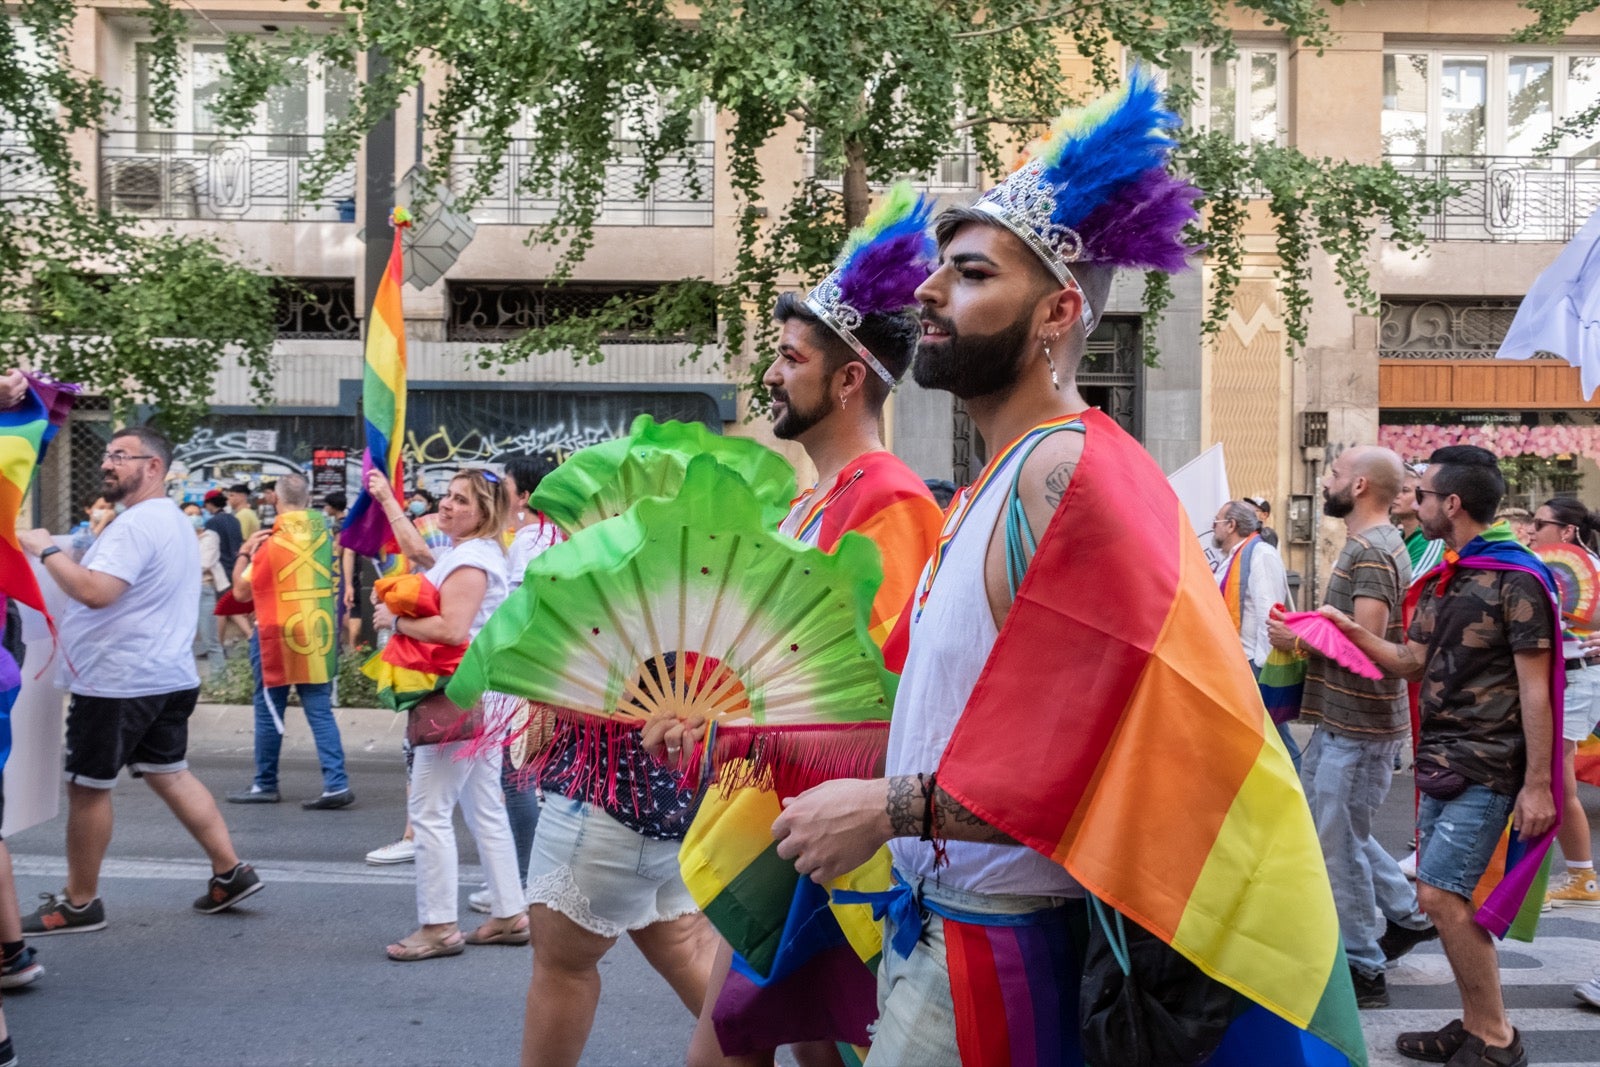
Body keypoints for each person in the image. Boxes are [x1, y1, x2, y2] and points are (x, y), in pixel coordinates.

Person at [769, 75, 1358, 1067]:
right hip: (938, 928)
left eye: (967, 274)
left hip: (1003, 951)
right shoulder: (988, 484)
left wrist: (884, 805)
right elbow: (930, 706)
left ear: (1055, 313)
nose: (925, 291)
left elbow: (1127, 741)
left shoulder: (1070, 469)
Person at [680, 211, 944, 1067]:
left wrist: (732, 721)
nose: (768, 372)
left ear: (847, 382)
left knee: (731, 1050)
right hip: (776, 819)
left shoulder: (892, 499)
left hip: (828, 838)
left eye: (791, 357)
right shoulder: (806, 500)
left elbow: (873, 689)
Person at [1325, 445, 1559, 1067]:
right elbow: (1410, 661)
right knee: (1443, 895)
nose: (1412, 499)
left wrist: (1538, 785)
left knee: (1440, 899)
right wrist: (1346, 631)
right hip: (1442, 764)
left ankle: (1496, 1039)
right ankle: (1479, 1021)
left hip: (1489, 765)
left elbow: (1538, 690)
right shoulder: (1448, 574)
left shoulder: (1519, 578)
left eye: (1422, 493)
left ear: (1451, 503)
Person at [18, 426, 262, 935]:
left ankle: (79, 903)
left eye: (120, 456)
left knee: (87, 787)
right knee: (168, 770)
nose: (107, 463)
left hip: (118, 680)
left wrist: (44, 550)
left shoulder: (134, 526)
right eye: (107, 454)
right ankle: (230, 872)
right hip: (165, 674)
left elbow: (98, 592)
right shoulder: (168, 519)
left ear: (153, 467)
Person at [1267, 445, 1433, 1010]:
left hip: (1358, 726)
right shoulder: (1374, 544)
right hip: (1346, 720)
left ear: (1360, 485)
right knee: (1342, 835)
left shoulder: (1369, 550)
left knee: (1336, 848)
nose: (1327, 483)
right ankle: (1409, 917)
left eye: (1336, 475)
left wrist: (1300, 637)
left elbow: (1370, 640)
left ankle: (1363, 965)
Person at [368, 467, 527, 959]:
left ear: (483, 514)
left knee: (429, 810)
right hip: (479, 693)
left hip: (457, 695)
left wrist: (394, 619)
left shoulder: (472, 560)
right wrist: (386, 499)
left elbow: (454, 629)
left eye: (461, 500)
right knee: (484, 807)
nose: (447, 504)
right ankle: (509, 914)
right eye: (447, 496)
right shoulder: (469, 553)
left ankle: (438, 927)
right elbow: (419, 553)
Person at [466, 454, 563, 915]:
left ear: (524, 496)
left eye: (502, 486)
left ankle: (523, 886)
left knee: (515, 777)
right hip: (549, 672)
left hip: (524, 674)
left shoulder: (529, 539)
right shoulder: (554, 533)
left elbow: (525, 610)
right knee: (528, 778)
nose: (497, 495)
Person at [225, 472, 353, 809]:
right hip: (317, 634)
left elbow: (240, 591)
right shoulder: (326, 536)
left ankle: (265, 784)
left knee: (269, 710)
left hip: (276, 634)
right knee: (320, 711)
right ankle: (336, 784)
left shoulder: (269, 542)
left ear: (276, 500)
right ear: (308, 500)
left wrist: (244, 552)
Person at [1529, 497, 1600, 910]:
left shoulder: (1587, 570)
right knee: (1554, 778)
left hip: (1578, 681)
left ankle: (1564, 878)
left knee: (1553, 779)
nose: (1531, 531)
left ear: (1567, 531)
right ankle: (1581, 876)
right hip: (1567, 679)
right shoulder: (1557, 568)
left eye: (1540, 523)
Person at [1212, 499, 1297, 764]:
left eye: (1216, 522)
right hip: (1239, 663)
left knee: (1276, 741)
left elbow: (1269, 613)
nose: (1212, 528)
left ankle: (1295, 796)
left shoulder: (1261, 554)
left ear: (1231, 525)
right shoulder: (1233, 558)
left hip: (1256, 664)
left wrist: (1266, 670)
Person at [182, 502, 227, 681]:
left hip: (204, 589)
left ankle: (220, 683)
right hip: (181, 593)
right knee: (183, 641)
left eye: (196, 513)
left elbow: (205, 563)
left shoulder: (210, 536)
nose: (194, 517)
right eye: (188, 514)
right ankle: (187, 682)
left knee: (211, 640)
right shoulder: (177, 536)